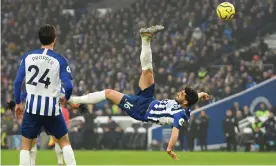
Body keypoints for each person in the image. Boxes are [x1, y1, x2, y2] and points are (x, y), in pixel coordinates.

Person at [62, 25, 210, 160]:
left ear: (185, 101)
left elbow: (175, 131)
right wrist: (201, 94)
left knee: (108, 93)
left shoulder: (180, 115)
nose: (179, 92)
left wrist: (169, 148)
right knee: (148, 72)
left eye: (182, 94)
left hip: (140, 110)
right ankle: (145, 39)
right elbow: (192, 101)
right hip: (149, 100)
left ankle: (75, 100)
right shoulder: (187, 104)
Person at [14, 24, 76, 165]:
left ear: (40, 39)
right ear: (54, 39)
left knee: (25, 145)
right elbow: (69, 85)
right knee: (64, 141)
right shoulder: (60, 60)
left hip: (32, 109)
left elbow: (18, 82)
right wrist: (65, 97)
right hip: (52, 110)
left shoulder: (28, 57)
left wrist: (18, 103)